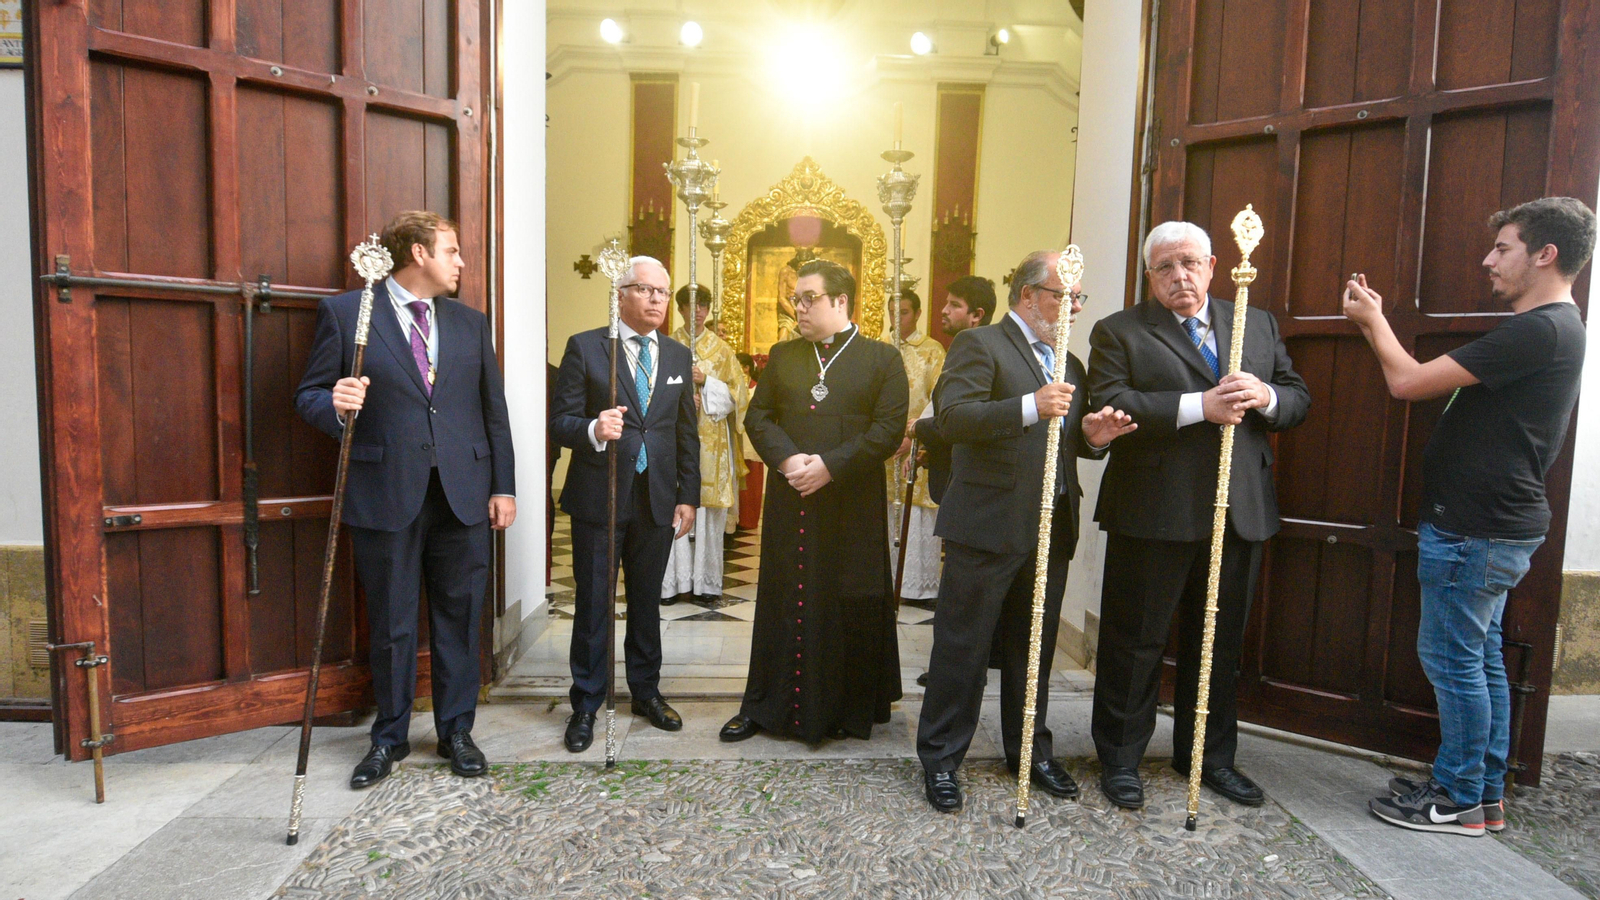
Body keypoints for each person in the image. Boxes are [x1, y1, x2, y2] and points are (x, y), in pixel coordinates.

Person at [1348, 197, 1593, 837]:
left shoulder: (1538, 329)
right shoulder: (1556, 328)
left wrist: (1374, 321)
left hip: (1477, 528)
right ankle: (1481, 790)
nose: (1489, 260)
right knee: (1478, 659)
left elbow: (1407, 382)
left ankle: (1455, 799)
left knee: (1455, 660)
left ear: (1546, 255)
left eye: (1503, 247)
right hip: (1491, 525)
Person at [1086, 220, 1309, 811]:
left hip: (1239, 512)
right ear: (1150, 276)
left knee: (1218, 644)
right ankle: (1121, 759)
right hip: (1154, 511)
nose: (1179, 275)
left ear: (1212, 265)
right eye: (1164, 267)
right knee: (1135, 642)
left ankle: (1209, 758)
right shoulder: (1120, 332)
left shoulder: (1254, 323)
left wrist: (1266, 397)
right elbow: (1113, 401)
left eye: (1189, 262)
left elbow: (1296, 396)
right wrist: (1199, 406)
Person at [295, 210, 516, 789]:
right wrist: (335, 403)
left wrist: (504, 486)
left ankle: (457, 733)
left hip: (463, 493)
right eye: (453, 250)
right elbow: (309, 395)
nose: (461, 262)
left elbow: (494, 411)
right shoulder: (349, 314)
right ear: (418, 253)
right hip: (384, 490)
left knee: (460, 618)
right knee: (392, 622)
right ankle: (388, 738)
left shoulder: (471, 325)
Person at [915, 251, 1136, 812]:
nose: (1073, 308)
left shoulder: (1073, 364)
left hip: (1051, 528)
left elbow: (1070, 443)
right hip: (987, 525)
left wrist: (1095, 437)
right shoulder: (980, 345)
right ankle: (941, 760)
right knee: (963, 649)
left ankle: (1030, 752)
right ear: (1028, 295)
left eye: (1079, 298)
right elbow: (953, 419)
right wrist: (1028, 406)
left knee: (1032, 651)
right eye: (1064, 296)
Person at [720, 259, 910, 743]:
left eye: (809, 299)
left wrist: (828, 466)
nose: (798, 308)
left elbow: (887, 431)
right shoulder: (783, 355)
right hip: (793, 498)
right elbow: (758, 418)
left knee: (849, 595)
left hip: (853, 500)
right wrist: (788, 463)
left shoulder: (881, 358)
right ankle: (765, 705)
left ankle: (847, 709)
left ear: (840, 301)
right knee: (785, 596)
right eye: (795, 300)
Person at [549, 256, 699, 752]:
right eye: (645, 289)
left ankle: (646, 692)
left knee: (646, 603)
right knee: (593, 604)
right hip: (601, 497)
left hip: (657, 499)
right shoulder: (587, 347)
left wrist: (688, 497)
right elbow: (561, 420)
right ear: (620, 295)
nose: (657, 299)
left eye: (662, 291)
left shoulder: (677, 356)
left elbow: (685, 434)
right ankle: (587, 705)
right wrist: (594, 428)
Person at [661, 284, 749, 602]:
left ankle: (705, 585)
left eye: (703, 305)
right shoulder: (666, 345)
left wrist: (707, 383)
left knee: (708, 512)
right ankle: (672, 584)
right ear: (681, 308)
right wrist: (682, 400)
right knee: (673, 506)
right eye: (691, 305)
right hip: (673, 438)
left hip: (712, 441)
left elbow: (738, 397)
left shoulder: (722, 351)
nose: (697, 311)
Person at [887, 287, 946, 601]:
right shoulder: (881, 349)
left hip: (915, 445)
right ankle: (887, 581)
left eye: (905, 312)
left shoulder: (932, 350)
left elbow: (940, 397)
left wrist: (912, 434)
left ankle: (916, 587)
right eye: (893, 312)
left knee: (917, 513)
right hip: (882, 450)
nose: (897, 318)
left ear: (918, 313)